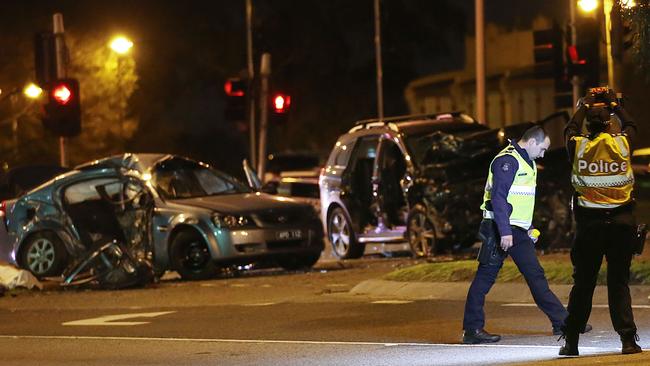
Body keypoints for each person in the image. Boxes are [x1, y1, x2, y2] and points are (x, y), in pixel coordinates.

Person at [462, 126, 589, 344]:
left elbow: (520, 200)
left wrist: (528, 227)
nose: (543, 154)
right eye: (542, 149)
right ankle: (472, 330)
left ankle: (563, 323)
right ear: (531, 142)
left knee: (535, 275)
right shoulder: (507, 161)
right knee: (484, 278)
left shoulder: (527, 162)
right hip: (499, 228)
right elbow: (499, 199)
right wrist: (504, 231)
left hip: (517, 231)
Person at [559, 88, 642, 356]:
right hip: (621, 224)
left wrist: (583, 105)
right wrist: (615, 104)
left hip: (590, 227)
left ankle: (571, 342)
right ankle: (628, 341)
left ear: (587, 124)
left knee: (584, 283)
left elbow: (569, 129)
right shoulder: (621, 144)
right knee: (619, 283)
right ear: (609, 123)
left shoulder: (579, 146)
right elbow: (631, 124)